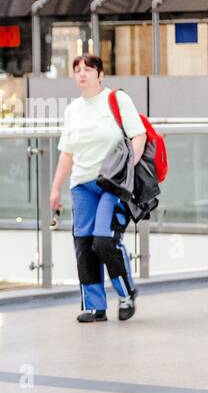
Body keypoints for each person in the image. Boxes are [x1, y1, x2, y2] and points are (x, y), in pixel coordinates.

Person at [49, 53, 146, 323]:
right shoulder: (73, 110)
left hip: (111, 184)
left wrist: (128, 166)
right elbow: (67, 153)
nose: (82, 74)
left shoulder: (117, 100)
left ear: (100, 75)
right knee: (83, 243)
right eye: (77, 70)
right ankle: (94, 306)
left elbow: (139, 135)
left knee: (104, 240)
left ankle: (126, 294)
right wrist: (56, 188)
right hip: (82, 185)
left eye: (88, 69)